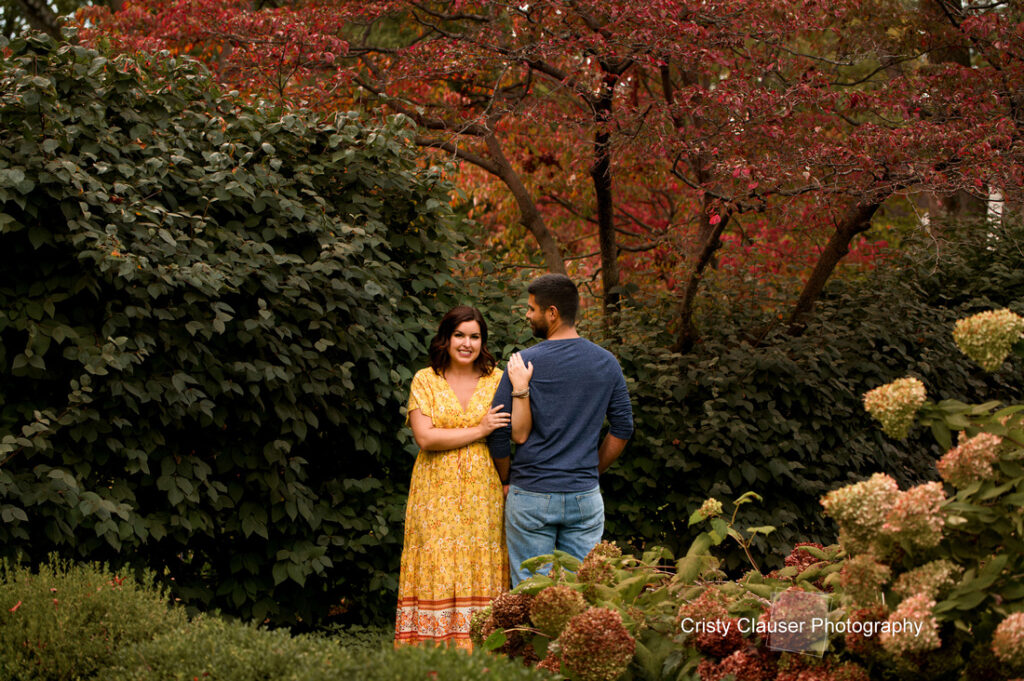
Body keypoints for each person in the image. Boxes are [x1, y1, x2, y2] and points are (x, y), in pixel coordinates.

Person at [394, 305, 532, 649]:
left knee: (479, 561)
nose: (466, 343)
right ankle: (431, 656)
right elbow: (426, 438)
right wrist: (480, 428)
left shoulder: (498, 379)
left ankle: (482, 655)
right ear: (446, 338)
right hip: (433, 491)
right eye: (459, 335)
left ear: (482, 342)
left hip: (481, 491)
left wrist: (520, 390)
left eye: (474, 336)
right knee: (435, 561)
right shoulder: (425, 379)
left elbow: (519, 433)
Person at [488, 274, 634, 586]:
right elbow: (623, 427)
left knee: (530, 594)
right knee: (582, 591)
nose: (527, 315)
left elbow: (499, 430)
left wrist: (506, 478)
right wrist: (593, 471)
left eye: (531, 309)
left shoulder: (522, 363)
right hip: (583, 495)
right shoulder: (606, 363)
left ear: (552, 312)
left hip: (531, 494)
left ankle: (531, 636)